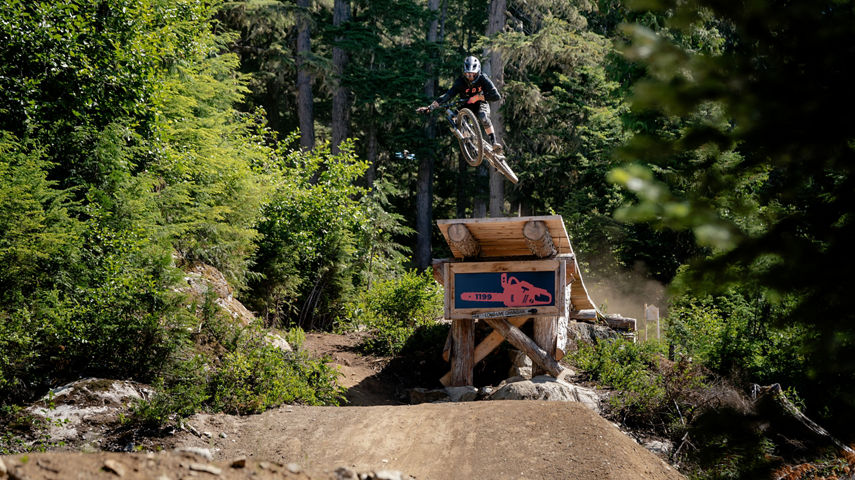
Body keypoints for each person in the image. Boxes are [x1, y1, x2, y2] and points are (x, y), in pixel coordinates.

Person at [428, 55, 504, 154]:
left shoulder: (483, 78)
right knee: (454, 118)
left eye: (473, 74)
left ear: (478, 72)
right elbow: (448, 95)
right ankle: (468, 142)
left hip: (480, 103)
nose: (470, 77)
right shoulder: (460, 82)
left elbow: (496, 96)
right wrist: (433, 105)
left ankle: (494, 143)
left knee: (483, 117)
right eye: (467, 74)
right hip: (466, 105)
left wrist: (477, 97)